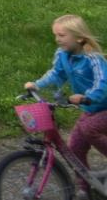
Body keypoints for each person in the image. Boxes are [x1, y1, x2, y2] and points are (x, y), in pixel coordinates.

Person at [26, 14, 107, 171]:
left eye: (62, 35)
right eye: (55, 35)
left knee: (89, 128)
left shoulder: (93, 59)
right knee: (75, 150)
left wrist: (87, 97)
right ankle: (85, 188)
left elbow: (102, 83)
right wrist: (37, 85)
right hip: (90, 110)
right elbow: (56, 74)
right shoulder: (63, 55)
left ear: (78, 38)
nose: (57, 39)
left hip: (103, 107)